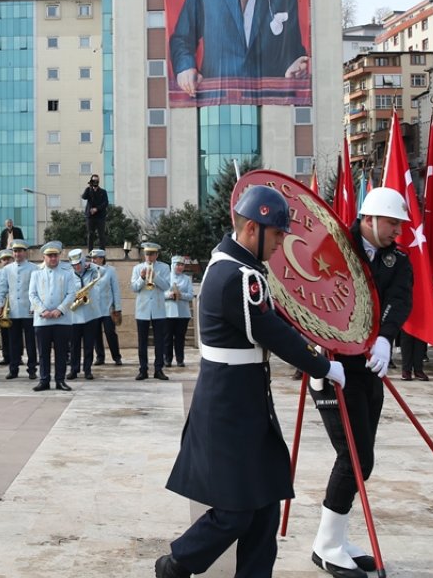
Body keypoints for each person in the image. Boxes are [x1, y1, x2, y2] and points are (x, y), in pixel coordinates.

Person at [156, 185, 343, 578]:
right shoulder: (235, 276)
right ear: (253, 229)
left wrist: (320, 340)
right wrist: (321, 367)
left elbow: (279, 320)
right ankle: (176, 565)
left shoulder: (243, 270)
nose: (279, 244)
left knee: (264, 506)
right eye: (276, 234)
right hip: (228, 406)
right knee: (235, 511)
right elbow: (270, 330)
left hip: (247, 401)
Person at [302, 187, 413, 578]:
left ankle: (335, 539)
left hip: (369, 367)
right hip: (331, 366)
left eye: (399, 223)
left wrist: (386, 335)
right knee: (354, 458)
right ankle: (326, 547)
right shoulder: (333, 244)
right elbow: (306, 292)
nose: (397, 230)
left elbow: (401, 298)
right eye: (392, 222)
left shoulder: (396, 259)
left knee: (360, 461)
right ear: (369, 219)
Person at [168, 0, 309, 100]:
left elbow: (292, 49)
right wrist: (185, 68)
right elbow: (182, 39)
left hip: (269, 101)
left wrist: (297, 65)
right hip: (216, 99)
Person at [29, 241, 78, 392]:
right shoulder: (36, 273)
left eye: (55, 255)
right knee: (43, 353)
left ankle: (60, 380)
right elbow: (32, 294)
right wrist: (42, 310)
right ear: (43, 257)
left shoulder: (67, 272)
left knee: (61, 352)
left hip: (61, 320)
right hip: (42, 320)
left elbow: (71, 294)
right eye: (49, 255)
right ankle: (44, 380)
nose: (53, 258)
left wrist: (60, 310)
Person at [0, 239, 39, 380]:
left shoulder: (33, 268)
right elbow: (2, 289)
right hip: (13, 311)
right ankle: (13, 368)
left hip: (29, 310)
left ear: (25, 252)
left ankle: (32, 368)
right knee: (13, 341)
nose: (17, 254)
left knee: (31, 342)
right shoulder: (7, 269)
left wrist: (34, 307)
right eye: (15, 251)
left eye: (20, 251)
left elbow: (37, 289)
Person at [131, 242, 172, 381]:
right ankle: (143, 369)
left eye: (152, 254)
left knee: (159, 341)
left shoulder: (164, 267)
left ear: (157, 254)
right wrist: (142, 278)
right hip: (142, 309)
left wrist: (155, 276)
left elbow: (167, 286)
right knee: (142, 341)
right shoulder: (137, 268)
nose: (149, 256)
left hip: (158, 309)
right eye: (147, 254)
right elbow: (134, 287)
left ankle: (158, 369)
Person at [66, 249, 102, 381]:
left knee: (89, 344)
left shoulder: (92, 271)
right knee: (74, 345)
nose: (77, 267)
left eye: (79, 264)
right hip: (74, 314)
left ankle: (87, 370)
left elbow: (101, 271)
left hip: (90, 314)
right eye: (74, 265)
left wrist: (91, 264)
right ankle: (74, 370)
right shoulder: (68, 275)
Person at [90, 249, 124, 366]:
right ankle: (100, 357)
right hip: (94, 308)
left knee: (110, 332)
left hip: (108, 307)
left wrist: (117, 307)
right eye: (92, 258)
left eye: (96, 258)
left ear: (102, 258)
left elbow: (115, 289)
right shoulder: (90, 270)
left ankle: (116, 356)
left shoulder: (110, 270)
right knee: (95, 333)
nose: (94, 260)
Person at [164, 256, 195, 368]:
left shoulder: (186, 279)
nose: (180, 267)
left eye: (182, 265)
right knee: (167, 337)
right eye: (177, 264)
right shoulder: (166, 278)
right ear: (172, 265)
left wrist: (181, 295)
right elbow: (160, 294)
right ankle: (167, 359)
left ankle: (180, 359)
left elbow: (191, 295)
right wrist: (169, 295)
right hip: (168, 312)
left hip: (183, 313)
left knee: (180, 338)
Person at [81, 174, 110, 251]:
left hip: (100, 216)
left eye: (96, 180)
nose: (95, 182)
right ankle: (90, 252)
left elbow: (106, 203)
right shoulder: (89, 190)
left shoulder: (103, 192)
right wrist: (89, 187)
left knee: (101, 235)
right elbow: (83, 197)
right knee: (90, 234)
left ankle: (102, 252)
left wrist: (96, 209)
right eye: (93, 180)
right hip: (90, 216)